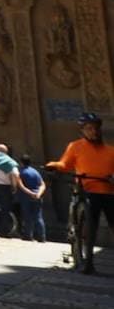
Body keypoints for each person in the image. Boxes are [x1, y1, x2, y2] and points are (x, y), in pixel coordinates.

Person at [46, 111, 114, 271]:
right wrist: (54, 165)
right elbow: (65, 164)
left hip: (108, 190)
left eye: (95, 128)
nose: (93, 131)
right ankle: (88, 260)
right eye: (89, 128)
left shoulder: (110, 151)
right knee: (91, 225)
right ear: (82, 131)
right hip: (86, 189)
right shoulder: (75, 146)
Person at [16, 155, 47, 243]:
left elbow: (20, 185)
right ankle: (42, 237)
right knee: (38, 217)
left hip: (26, 197)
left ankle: (28, 235)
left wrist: (30, 193)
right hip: (37, 197)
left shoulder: (20, 172)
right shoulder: (35, 172)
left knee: (27, 216)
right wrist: (38, 194)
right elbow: (42, 185)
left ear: (21, 163)